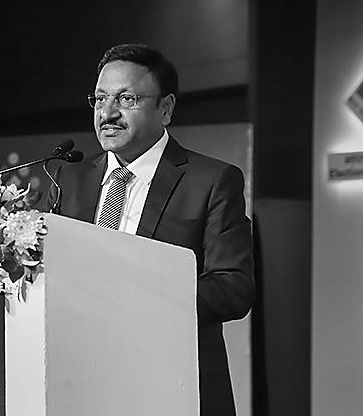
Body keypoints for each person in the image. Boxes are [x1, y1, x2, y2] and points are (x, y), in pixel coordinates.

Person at [49, 44, 254, 416]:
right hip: (81, 382)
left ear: (166, 108)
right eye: (99, 99)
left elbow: (233, 289)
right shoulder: (70, 178)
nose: (108, 113)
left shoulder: (211, 181)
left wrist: (135, 297)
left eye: (126, 99)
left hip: (172, 385)